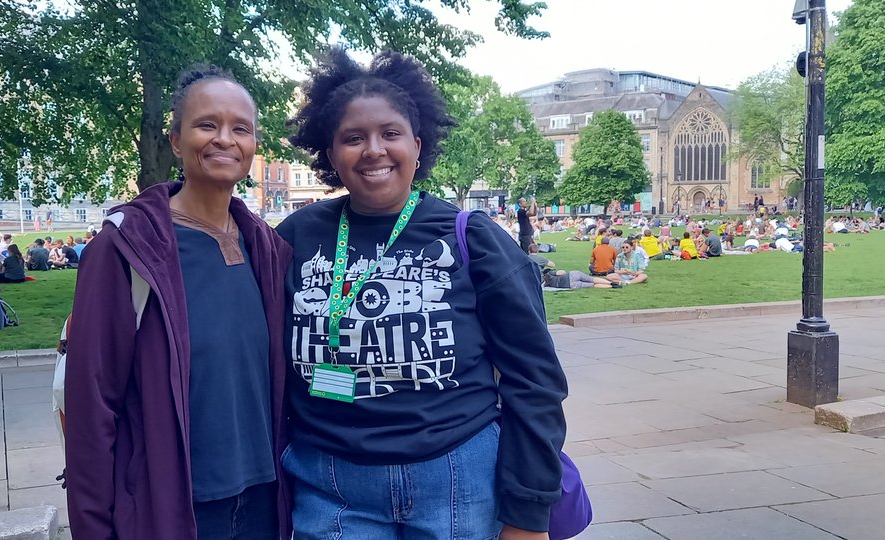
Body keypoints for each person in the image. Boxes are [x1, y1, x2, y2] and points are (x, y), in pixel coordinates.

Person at [278, 48, 568, 539]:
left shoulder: (471, 237)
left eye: (390, 134)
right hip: (333, 487)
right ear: (331, 155)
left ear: (416, 143)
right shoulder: (293, 239)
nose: (373, 150)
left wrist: (527, 512)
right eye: (353, 138)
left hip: (458, 480)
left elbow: (534, 380)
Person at [64, 65, 292, 540]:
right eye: (207, 124)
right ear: (175, 139)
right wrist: (92, 525)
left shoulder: (267, 248)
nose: (224, 139)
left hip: (264, 501)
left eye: (241, 129)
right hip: (173, 506)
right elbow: (91, 402)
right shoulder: (126, 249)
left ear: (254, 146)